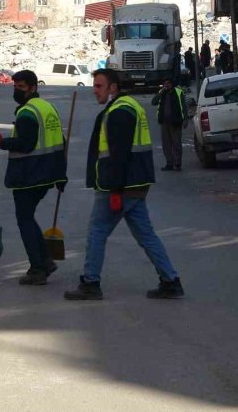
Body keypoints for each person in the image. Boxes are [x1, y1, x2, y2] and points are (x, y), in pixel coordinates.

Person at [64, 68, 184, 301]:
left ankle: (91, 282)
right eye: (94, 86)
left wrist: (116, 190)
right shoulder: (127, 107)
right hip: (135, 184)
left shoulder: (119, 112)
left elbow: (119, 155)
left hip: (119, 186)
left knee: (97, 231)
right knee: (145, 234)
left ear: (113, 88)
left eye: (99, 86)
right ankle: (170, 280)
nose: (94, 91)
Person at [0, 70, 67, 285]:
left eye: (21, 87)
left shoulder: (26, 113)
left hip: (29, 174)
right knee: (28, 217)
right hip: (47, 173)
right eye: (15, 87)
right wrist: (61, 174)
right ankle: (45, 260)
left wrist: (1, 142)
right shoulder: (47, 108)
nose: (17, 91)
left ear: (33, 87)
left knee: (24, 220)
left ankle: (38, 267)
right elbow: (61, 143)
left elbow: (25, 144)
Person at [151, 77, 189, 171]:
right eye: (165, 83)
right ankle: (169, 163)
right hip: (164, 122)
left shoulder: (178, 92)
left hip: (175, 122)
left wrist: (185, 119)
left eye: (168, 83)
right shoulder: (162, 93)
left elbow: (184, 106)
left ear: (172, 84)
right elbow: (154, 102)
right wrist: (160, 92)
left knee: (176, 143)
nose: (167, 85)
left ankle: (177, 163)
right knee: (166, 144)